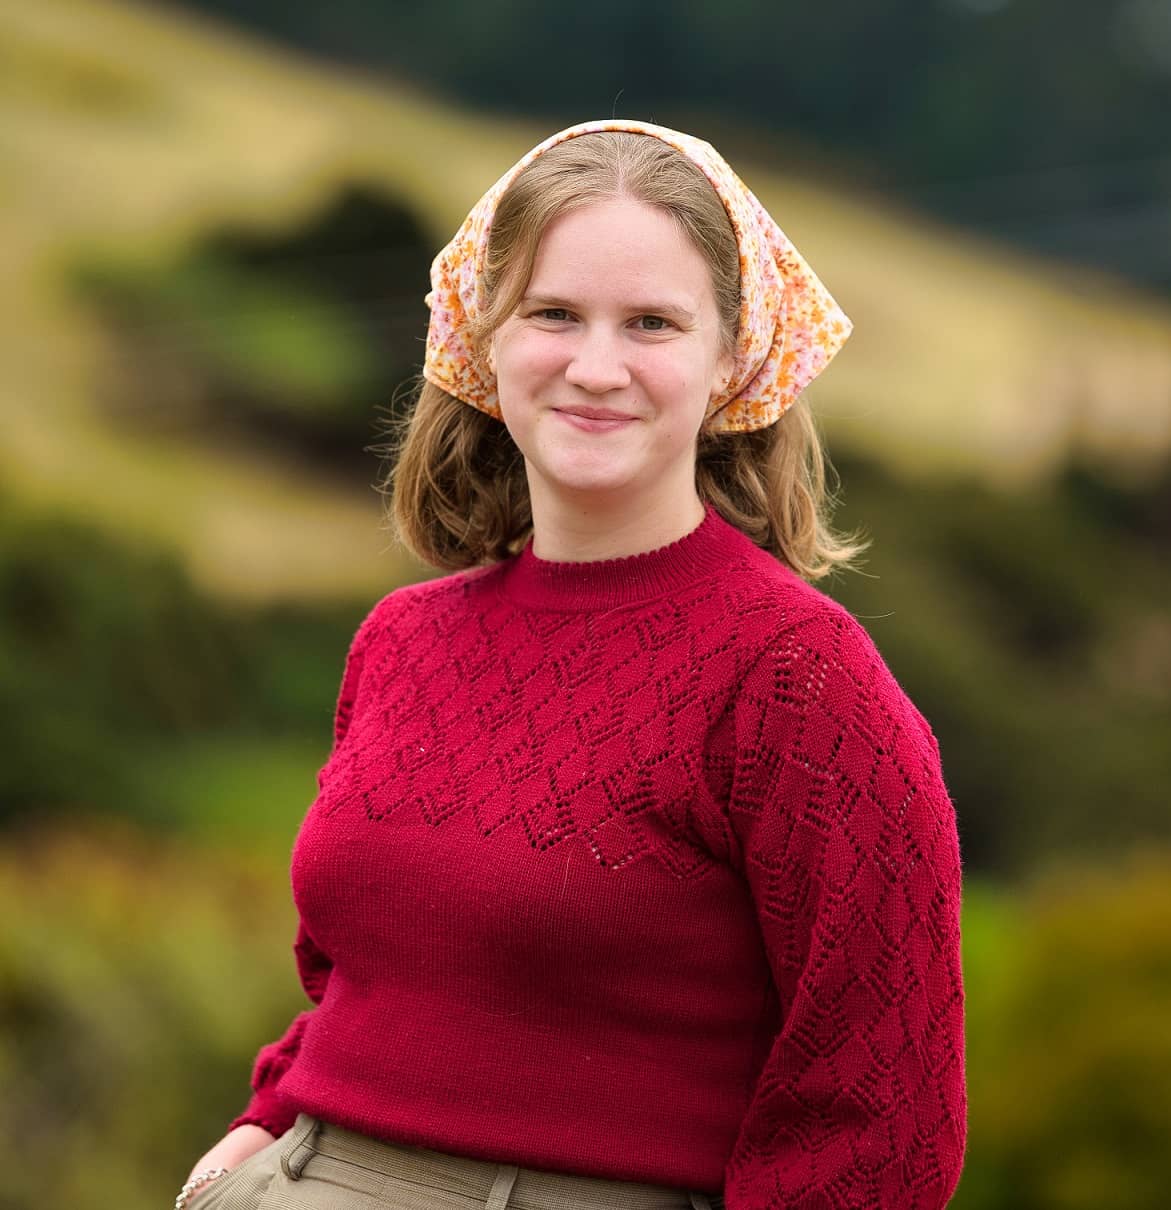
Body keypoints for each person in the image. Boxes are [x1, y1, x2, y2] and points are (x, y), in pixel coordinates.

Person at [179, 119, 967, 1210]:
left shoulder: (799, 679)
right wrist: (263, 1119)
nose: (596, 367)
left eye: (651, 323)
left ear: (734, 355)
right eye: (554, 314)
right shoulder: (401, 640)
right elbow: (366, 973)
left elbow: (881, 1109)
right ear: (484, 335)